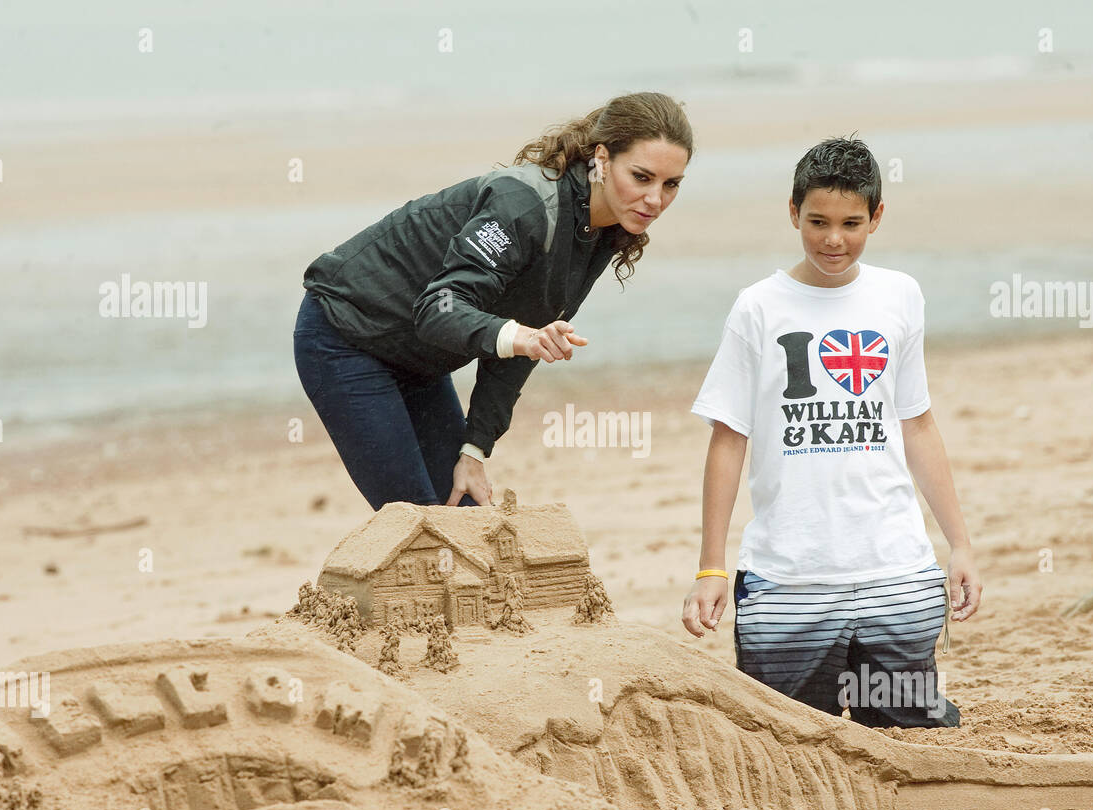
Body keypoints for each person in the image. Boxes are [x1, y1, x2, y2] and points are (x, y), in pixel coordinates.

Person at [680, 137, 982, 729]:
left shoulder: (900, 295)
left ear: (876, 216)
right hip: (787, 582)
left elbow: (916, 423)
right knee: (789, 737)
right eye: (817, 222)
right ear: (793, 212)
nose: (833, 240)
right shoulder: (758, 308)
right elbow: (728, 439)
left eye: (851, 223)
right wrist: (712, 567)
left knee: (899, 727)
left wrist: (960, 544)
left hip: (896, 573)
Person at [294, 92, 691, 510]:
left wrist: (475, 450)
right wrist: (520, 336)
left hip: (419, 361)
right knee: (421, 527)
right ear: (602, 159)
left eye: (671, 185)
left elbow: (522, 345)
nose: (655, 200)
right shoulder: (523, 207)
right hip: (345, 336)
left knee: (464, 513)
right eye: (642, 177)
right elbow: (440, 307)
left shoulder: (603, 228)